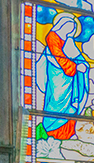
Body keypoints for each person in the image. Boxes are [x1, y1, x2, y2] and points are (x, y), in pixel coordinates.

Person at [35, 13, 89, 144]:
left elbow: (78, 56)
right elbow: (58, 57)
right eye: (68, 27)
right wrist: (75, 67)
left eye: (72, 28)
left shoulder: (69, 41)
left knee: (71, 105)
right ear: (61, 25)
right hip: (57, 77)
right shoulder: (52, 38)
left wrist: (83, 65)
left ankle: (68, 134)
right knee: (56, 100)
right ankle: (51, 132)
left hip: (70, 81)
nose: (69, 30)